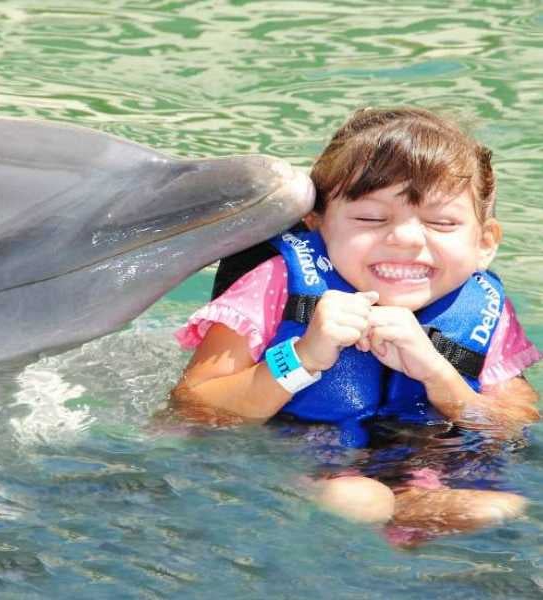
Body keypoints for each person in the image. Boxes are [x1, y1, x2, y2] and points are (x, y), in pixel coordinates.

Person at [170, 107, 541, 543]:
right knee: (358, 501)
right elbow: (193, 406)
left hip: (422, 468)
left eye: (441, 223)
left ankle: (401, 526)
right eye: (371, 218)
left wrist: (438, 374)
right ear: (318, 224)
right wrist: (302, 357)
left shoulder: (483, 310)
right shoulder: (276, 284)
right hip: (298, 463)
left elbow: (513, 426)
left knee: (497, 508)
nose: (406, 239)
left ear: (484, 243)